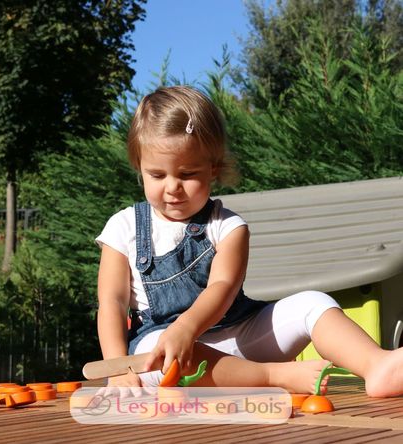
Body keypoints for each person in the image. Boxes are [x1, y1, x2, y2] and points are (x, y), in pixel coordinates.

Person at [95, 85, 403, 397]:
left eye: (187, 174)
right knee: (156, 357)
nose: (173, 187)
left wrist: (187, 327)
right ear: (140, 168)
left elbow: (222, 287)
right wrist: (118, 367)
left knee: (313, 303)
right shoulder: (123, 227)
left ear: (213, 169)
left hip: (241, 335)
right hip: (173, 355)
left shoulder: (227, 226)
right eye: (158, 175)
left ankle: (377, 366)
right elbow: (113, 303)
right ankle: (272, 376)